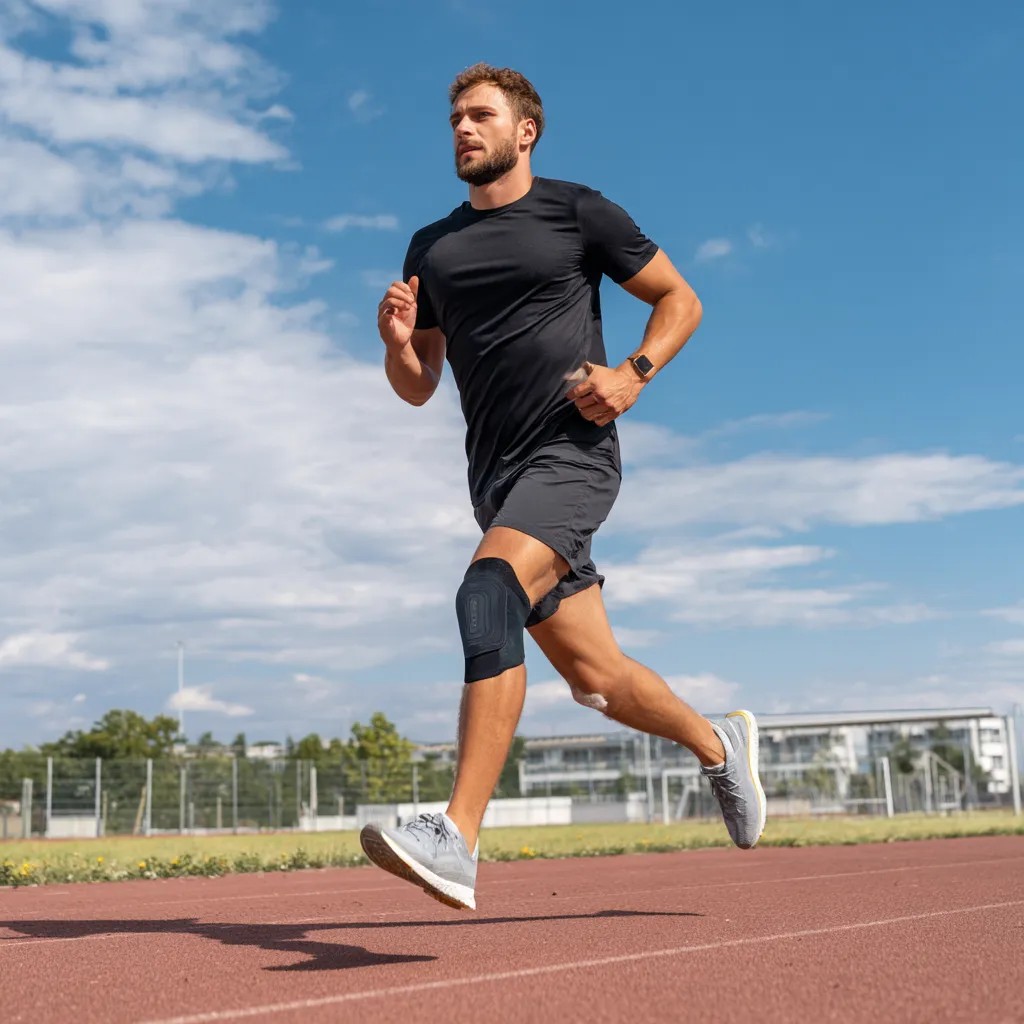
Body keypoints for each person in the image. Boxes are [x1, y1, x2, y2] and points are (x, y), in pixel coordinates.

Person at [360, 63, 765, 910]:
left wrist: (634, 374)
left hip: (572, 456)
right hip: (496, 481)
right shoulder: (431, 248)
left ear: (525, 130)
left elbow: (679, 299)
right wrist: (399, 343)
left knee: (486, 594)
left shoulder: (578, 211)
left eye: (481, 115)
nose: (463, 129)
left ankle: (457, 836)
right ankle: (718, 745)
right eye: (455, 120)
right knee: (598, 678)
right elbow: (419, 384)